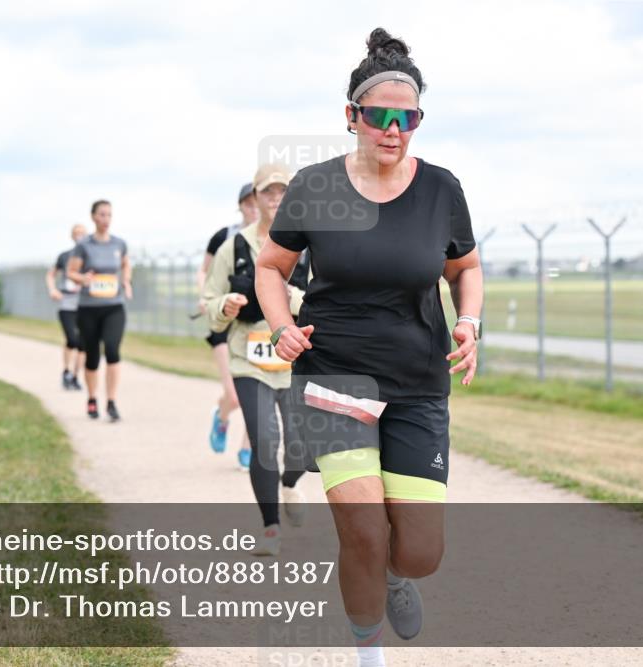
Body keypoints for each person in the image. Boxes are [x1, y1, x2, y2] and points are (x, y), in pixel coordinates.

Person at [255, 29, 483, 667]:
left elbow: (465, 268)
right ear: (351, 116)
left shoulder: (441, 189)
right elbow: (271, 267)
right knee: (361, 531)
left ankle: (396, 575)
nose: (394, 130)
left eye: (408, 118)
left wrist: (470, 322)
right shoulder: (315, 186)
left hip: (416, 382)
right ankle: (368, 655)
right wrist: (281, 326)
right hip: (336, 376)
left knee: (418, 552)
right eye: (380, 116)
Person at [203, 163, 311, 557]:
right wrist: (225, 305)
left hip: (296, 361)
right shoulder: (233, 246)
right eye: (268, 191)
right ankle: (270, 528)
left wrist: (287, 296)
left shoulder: (308, 244)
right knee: (265, 441)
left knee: (301, 446)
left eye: (283, 191)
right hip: (249, 360)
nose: (275, 198)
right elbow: (209, 301)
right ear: (255, 197)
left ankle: (290, 483)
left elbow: (323, 300)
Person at [197, 183, 259, 469]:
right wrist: (205, 297)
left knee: (258, 389)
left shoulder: (275, 239)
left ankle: (248, 447)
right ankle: (221, 416)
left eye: (257, 202)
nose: (254, 209)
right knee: (235, 396)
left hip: (257, 323)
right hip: (225, 319)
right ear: (240, 206)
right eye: (248, 204)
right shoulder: (224, 237)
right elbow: (204, 271)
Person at [67, 200, 132, 422]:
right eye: (102, 215)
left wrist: (126, 281)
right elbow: (71, 272)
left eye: (109, 215)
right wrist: (82, 278)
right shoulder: (84, 245)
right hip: (89, 308)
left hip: (114, 306)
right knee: (92, 355)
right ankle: (92, 398)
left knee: (112, 350)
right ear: (93, 217)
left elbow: (126, 264)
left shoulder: (119, 244)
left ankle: (111, 402)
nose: (106, 219)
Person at [46, 224, 87, 390]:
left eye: (82, 233)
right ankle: (66, 371)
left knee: (83, 344)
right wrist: (53, 289)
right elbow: (51, 274)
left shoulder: (91, 256)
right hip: (67, 304)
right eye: (77, 233)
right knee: (72, 339)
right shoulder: (64, 256)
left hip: (85, 304)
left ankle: (76, 376)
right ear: (72, 236)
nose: (80, 236)